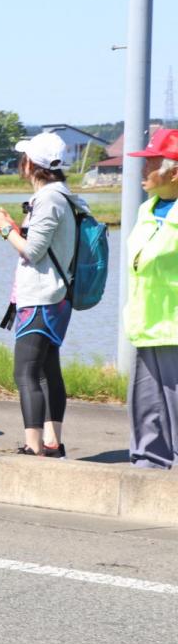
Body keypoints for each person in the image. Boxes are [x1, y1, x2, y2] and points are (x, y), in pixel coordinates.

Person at [0, 131, 90, 458]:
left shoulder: (48, 199)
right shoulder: (61, 195)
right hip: (56, 295)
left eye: (22, 158)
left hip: (41, 297)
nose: (19, 163)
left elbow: (33, 251)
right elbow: (42, 244)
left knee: (26, 371)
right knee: (48, 370)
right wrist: (15, 227)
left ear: (30, 164)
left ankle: (34, 446)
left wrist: (4, 229)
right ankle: (52, 444)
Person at [123, 128, 178, 469]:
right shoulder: (147, 210)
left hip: (173, 328)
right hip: (146, 325)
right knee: (146, 407)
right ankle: (146, 468)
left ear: (175, 172)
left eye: (152, 163)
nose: (144, 170)